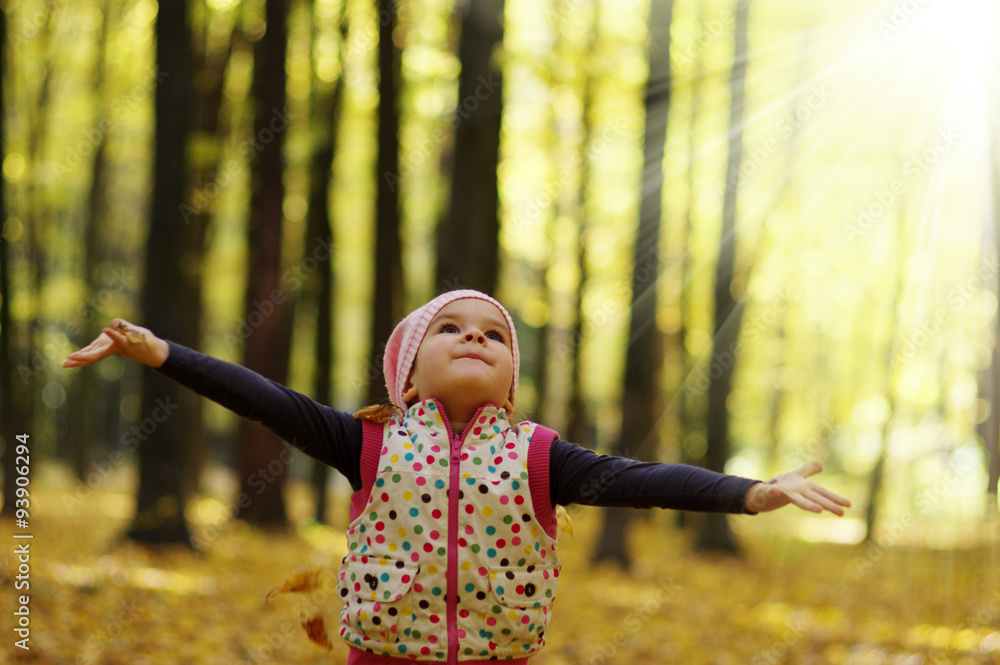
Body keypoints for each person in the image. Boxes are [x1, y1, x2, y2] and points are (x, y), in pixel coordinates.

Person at [63, 289, 850, 665]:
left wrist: (749, 492)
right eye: (450, 329)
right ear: (407, 374)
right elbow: (268, 399)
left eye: (493, 334)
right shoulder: (367, 441)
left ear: (511, 378)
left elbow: (640, 476)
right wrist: (162, 353)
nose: (475, 337)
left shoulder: (541, 455)